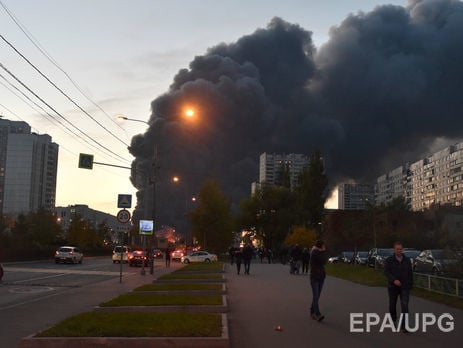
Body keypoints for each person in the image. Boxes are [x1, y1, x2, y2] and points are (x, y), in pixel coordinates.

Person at [384, 241, 413, 332]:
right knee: (392, 305)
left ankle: (404, 325)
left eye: (400, 249)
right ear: (394, 249)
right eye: (397, 249)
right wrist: (393, 280)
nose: (399, 251)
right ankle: (393, 320)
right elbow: (386, 272)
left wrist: (410, 284)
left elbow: (410, 273)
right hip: (393, 287)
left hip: (405, 286)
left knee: (405, 305)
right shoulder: (389, 260)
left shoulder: (407, 260)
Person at [309, 240, 328, 321]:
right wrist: (323, 252)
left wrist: (323, 252)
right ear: (320, 246)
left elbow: (324, 262)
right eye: (324, 245)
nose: (325, 247)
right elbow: (324, 261)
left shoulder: (318, 252)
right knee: (316, 296)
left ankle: (312, 310)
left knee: (317, 296)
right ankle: (317, 313)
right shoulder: (315, 252)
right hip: (314, 277)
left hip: (321, 277)